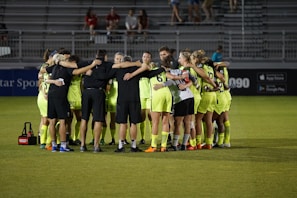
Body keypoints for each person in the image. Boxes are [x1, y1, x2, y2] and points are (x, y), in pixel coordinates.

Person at [42, 54, 101, 152]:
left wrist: (52, 81)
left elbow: (42, 72)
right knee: (62, 121)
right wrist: (91, 66)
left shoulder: (54, 67)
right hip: (60, 95)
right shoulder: (66, 68)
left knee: (52, 121)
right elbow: (77, 71)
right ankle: (63, 146)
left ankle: (53, 145)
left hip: (51, 94)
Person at [109, 56, 165, 153]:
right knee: (133, 123)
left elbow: (106, 74)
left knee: (123, 123)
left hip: (122, 99)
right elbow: (150, 73)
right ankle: (133, 146)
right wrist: (162, 69)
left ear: (122, 62)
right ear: (131, 61)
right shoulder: (136, 69)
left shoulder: (117, 71)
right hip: (134, 99)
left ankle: (121, 146)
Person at [79, 50, 113, 153]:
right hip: (98, 92)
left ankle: (82, 145)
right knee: (98, 119)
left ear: (96, 56)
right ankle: (96, 146)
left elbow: (76, 67)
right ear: (105, 56)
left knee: (84, 119)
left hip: (86, 92)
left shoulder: (89, 63)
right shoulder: (107, 65)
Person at [37, 49, 56, 149]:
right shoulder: (48, 68)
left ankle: (42, 142)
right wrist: (45, 92)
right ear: (51, 57)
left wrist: (42, 90)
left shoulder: (43, 66)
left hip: (42, 95)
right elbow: (46, 81)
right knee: (52, 120)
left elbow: (40, 81)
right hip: (46, 96)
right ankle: (48, 143)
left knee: (45, 120)